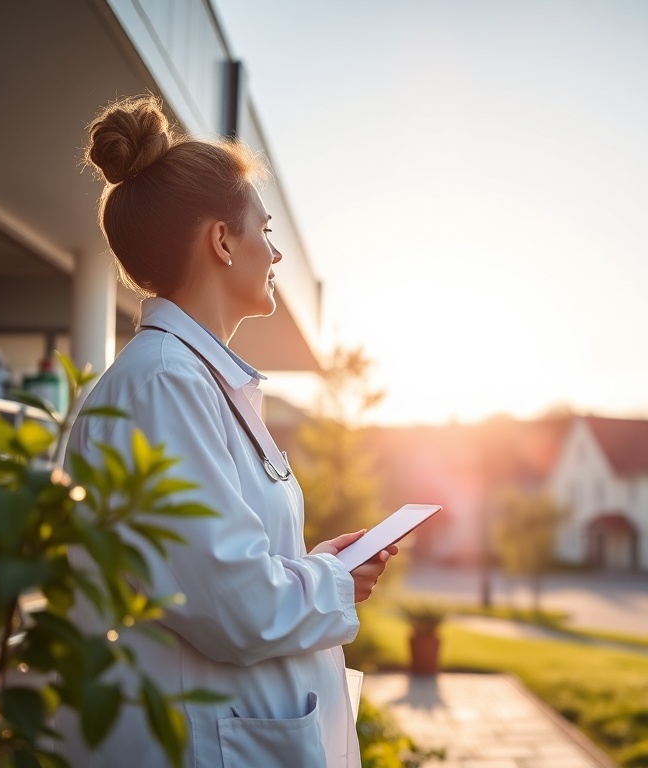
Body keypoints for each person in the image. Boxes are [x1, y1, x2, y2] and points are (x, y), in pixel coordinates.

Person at [59, 95, 394, 767]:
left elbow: (220, 567)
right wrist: (332, 580)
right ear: (221, 240)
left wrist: (312, 566)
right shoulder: (164, 384)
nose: (274, 253)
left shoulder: (196, 381)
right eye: (265, 232)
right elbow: (232, 605)